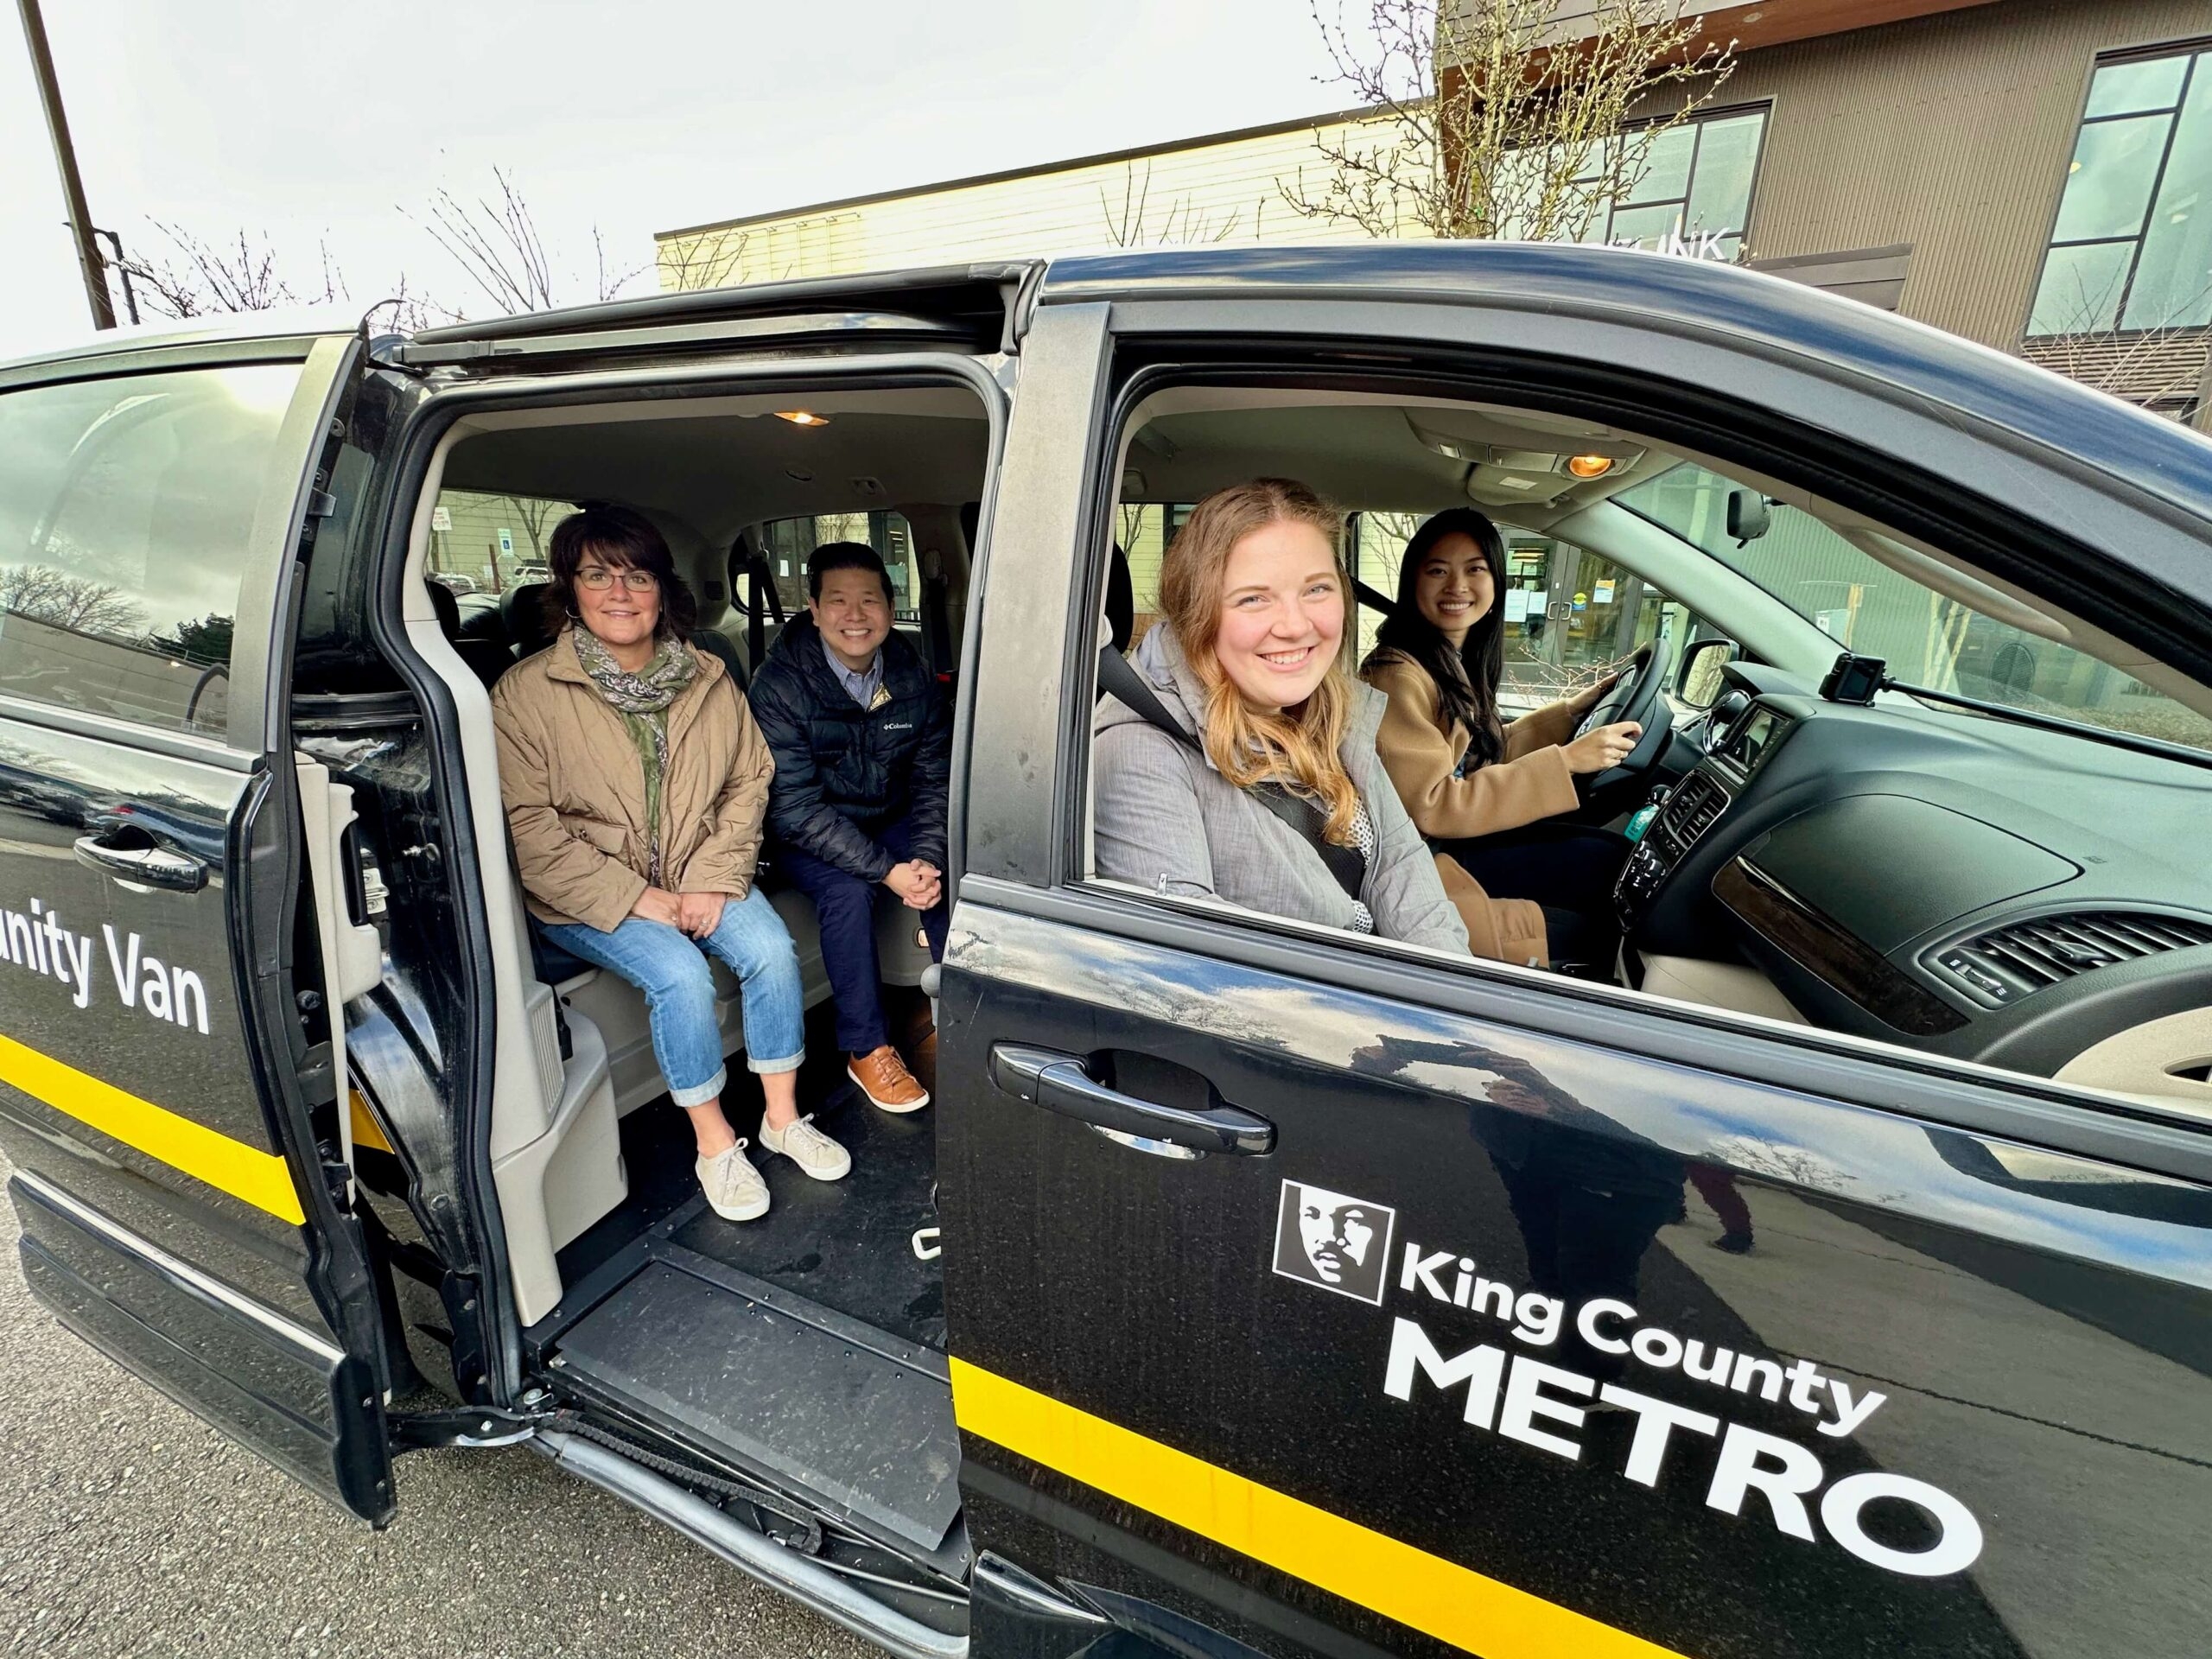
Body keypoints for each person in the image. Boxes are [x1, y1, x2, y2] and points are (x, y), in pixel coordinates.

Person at [493, 505, 849, 1225]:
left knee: (772, 952)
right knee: (681, 977)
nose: (620, 593)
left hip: (702, 869)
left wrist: (715, 878)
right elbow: (527, 827)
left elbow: (749, 780)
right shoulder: (525, 693)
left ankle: (782, 1118)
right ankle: (716, 1145)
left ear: (662, 589)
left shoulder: (708, 675)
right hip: (590, 893)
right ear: (569, 587)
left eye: (638, 576)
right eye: (598, 575)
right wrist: (638, 896)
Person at [1092, 477, 1469, 953]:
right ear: (1199, 611)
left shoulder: (1332, 711)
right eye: (1253, 598)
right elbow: (1188, 975)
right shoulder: (1140, 751)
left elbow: (1402, 873)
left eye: (1316, 589)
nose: (1295, 625)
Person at [1360, 508, 1643, 969]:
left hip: (1447, 844)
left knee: (1605, 855)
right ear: (1413, 582)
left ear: (1496, 584)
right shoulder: (1396, 674)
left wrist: (1573, 711)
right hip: (1424, 860)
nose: (1457, 587)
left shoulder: (1447, 659)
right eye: (1437, 571)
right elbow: (1432, 805)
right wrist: (1566, 762)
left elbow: (1483, 752)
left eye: (1475, 570)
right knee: (1604, 865)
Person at [748, 543, 950, 1114]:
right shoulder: (780, 685)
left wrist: (927, 857)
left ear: (889, 607)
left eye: (869, 600)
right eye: (837, 601)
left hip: (889, 816)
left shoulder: (911, 673)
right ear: (813, 610)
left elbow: (933, 781)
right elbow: (793, 808)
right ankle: (867, 1048)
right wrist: (888, 871)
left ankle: (964, 1021)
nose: (854, 615)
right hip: (805, 832)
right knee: (848, 889)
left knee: (952, 859)